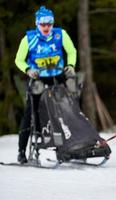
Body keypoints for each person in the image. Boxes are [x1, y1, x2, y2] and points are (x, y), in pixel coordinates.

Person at [15, 6, 77, 164]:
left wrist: (70, 65)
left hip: (58, 77)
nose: (46, 27)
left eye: (49, 23)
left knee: (68, 108)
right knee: (31, 113)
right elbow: (19, 60)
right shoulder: (28, 39)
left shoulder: (60, 34)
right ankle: (22, 151)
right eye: (43, 24)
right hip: (38, 79)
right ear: (37, 24)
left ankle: (76, 144)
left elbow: (72, 51)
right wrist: (28, 69)